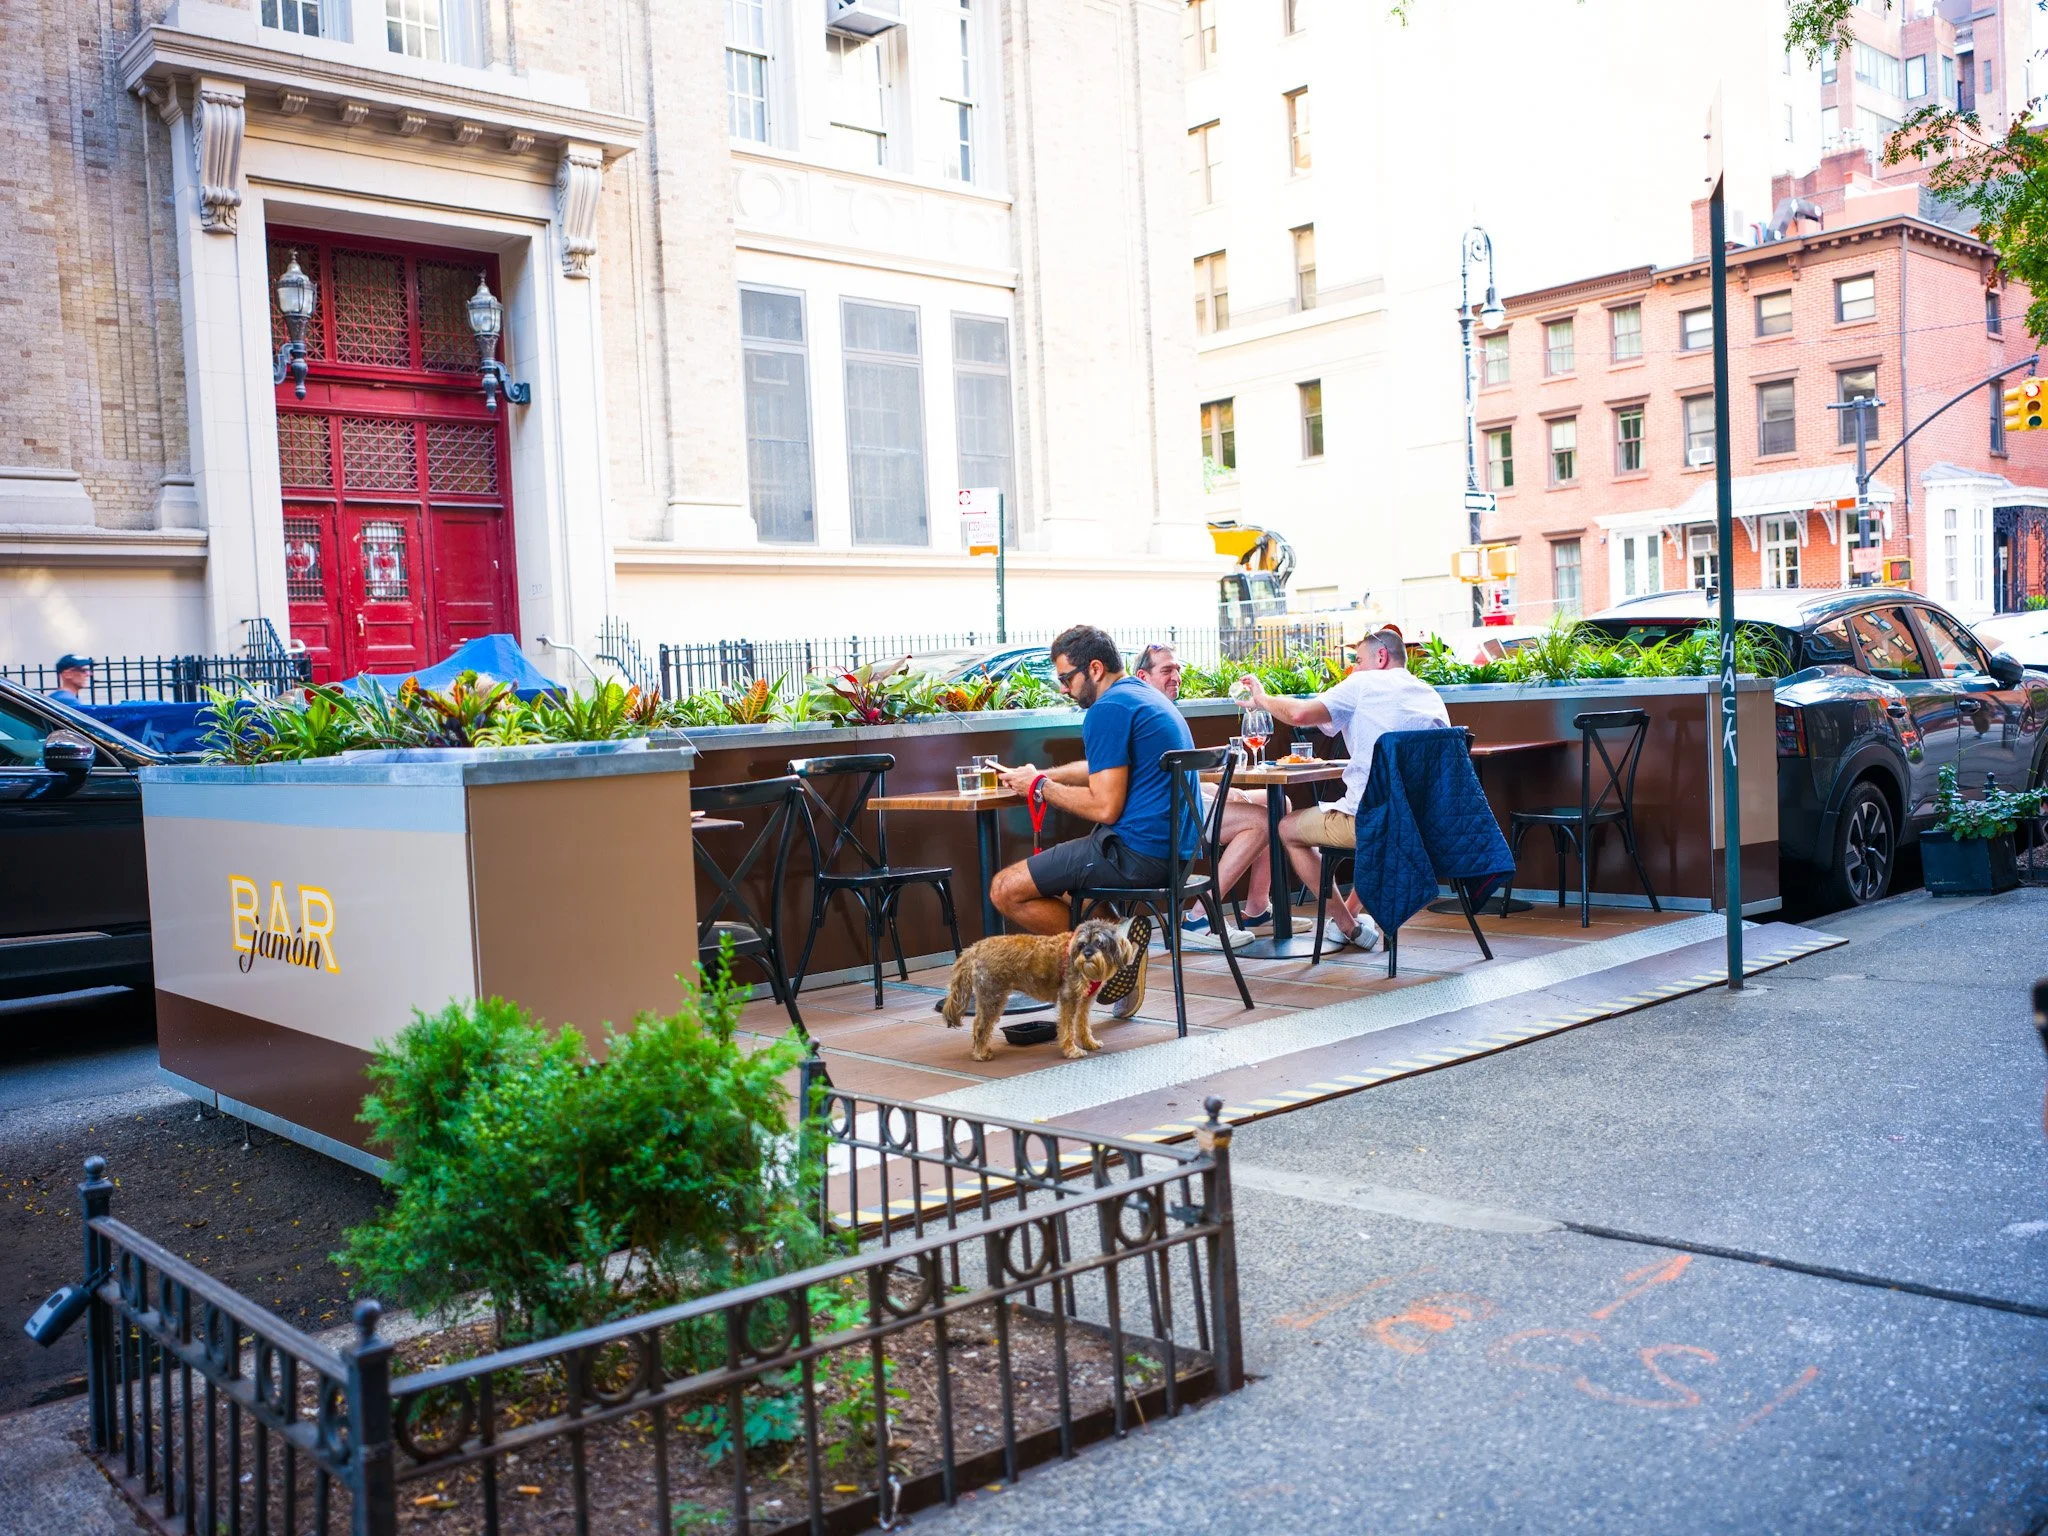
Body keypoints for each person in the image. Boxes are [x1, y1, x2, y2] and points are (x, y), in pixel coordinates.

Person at [990, 625, 1196, 1018]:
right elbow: (1104, 766)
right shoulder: (1142, 698)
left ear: (1095, 668)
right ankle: (1121, 942)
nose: (1065, 689)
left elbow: (1105, 808)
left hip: (1136, 855)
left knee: (1006, 889)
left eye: (1067, 678)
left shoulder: (1107, 710)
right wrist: (1042, 776)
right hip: (1175, 852)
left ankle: (1119, 955)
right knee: (1066, 888)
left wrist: (1040, 789)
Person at [1241, 617, 1451, 951]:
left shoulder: (1363, 685)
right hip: (1423, 823)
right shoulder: (1428, 694)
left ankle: (1345, 923)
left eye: (1358, 662)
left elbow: (1299, 715)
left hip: (1373, 823)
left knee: (1286, 827)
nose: (1353, 670)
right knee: (1379, 830)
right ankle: (1351, 915)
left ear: (1380, 658)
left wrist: (1263, 699)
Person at [1133, 642, 1272, 949]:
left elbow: (1171, 772)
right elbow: (1158, 781)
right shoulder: (1146, 712)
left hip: (1185, 799)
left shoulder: (1162, 709)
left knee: (1277, 802)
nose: (1176, 677)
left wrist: (1222, 789)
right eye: (1166, 670)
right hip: (1170, 818)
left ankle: (1257, 910)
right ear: (1143, 676)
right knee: (1263, 820)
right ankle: (1200, 916)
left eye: (1178, 669)